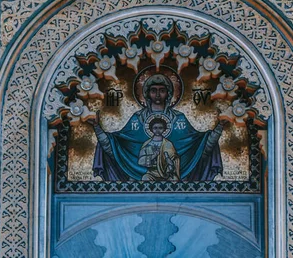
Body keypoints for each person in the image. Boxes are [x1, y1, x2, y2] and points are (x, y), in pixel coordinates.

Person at [92, 73, 226, 182]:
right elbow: (117, 148)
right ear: (146, 93)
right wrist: (97, 128)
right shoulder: (137, 119)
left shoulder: (179, 119)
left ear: (168, 94)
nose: (157, 95)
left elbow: (199, 148)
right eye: (153, 90)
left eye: (162, 91)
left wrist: (219, 127)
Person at [138, 116, 180, 181]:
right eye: (155, 128)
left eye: (160, 128)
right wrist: (153, 156)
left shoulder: (168, 144)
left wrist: (169, 161)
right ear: (151, 129)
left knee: (174, 179)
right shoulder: (147, 144)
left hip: (166, 174)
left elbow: (174, 159)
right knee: (145, 178)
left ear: (164, 129)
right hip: (151, 174)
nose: (157, 130)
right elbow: (140, 161)